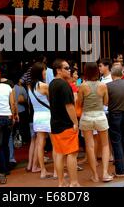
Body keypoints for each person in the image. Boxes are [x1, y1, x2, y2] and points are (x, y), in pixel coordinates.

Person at [77, 62, 113, 183]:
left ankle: (94, 175)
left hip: (86, 116)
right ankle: (105, 173)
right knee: (105, 145)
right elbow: (106, 102)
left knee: (90, 147)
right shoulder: (103, 85)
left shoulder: (82, 86)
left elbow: (79, 103)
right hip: (100, 116)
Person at [49, 59, 80, 187]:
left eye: (69, 68)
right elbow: (69, 106)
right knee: (72, 154)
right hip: (66, 125)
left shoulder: (52, 84)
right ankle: (74, 183)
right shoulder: (64, 85)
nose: (69, 70)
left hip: (55, 124)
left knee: (60, 154)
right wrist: (75, 122)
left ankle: (61, 183)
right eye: (66, 68)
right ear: (58, 70)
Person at [28, 62, 55, 179]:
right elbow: (53, 100)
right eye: (44, 70)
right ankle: (56, 171)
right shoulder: (44, 86)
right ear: (39, 72)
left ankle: (43, 171)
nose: (45, 73)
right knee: (55, 144)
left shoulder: (29, 86)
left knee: (40, 144)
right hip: (47, 115)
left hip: (37, 117)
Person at [107, 66, 124, 177]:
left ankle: (120, 170)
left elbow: (105, 101)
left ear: (112, 75)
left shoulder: (108, 86)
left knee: (116, 142)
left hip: (114, 114)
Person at [0, 69, 18, 176]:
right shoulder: (8, 87)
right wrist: (13, 116)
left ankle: (2, 169)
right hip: (8, 116)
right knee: (5, 143)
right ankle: (8, 167)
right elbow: (13, 103)